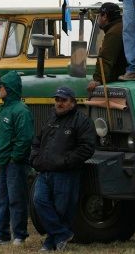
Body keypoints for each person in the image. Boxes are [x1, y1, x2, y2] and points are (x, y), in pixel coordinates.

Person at [30, 86, 96, 252]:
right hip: (45, 171)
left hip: (66, 173)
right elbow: (37, 142)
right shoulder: (50, 119)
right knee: (39, 201)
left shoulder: (82, 121)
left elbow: (87, 148)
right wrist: (35, 158)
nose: (59, 103)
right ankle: (62, 234)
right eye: (57, 99)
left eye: (63, 100)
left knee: (61, 209)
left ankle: (50, 242)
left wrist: (66, 162)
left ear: (72, 103)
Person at [0, 70, 34, 247]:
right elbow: (1, 138)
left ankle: (19, 235)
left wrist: (14, 158)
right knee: (1, 200)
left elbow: (25, 138)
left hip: (15, 164)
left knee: (16, 198)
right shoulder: (6, 109)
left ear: (9, 89)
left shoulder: (21, 111)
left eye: (1, 87)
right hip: (4, 164)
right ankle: (1, 235)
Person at [87, 2, 127, 92]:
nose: (98, 19)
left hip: (120, 77)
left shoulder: (113, 33)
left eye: (98, 16)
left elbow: (105, 59)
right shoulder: (123, 27)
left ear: (104, 16)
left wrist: (98, 79)